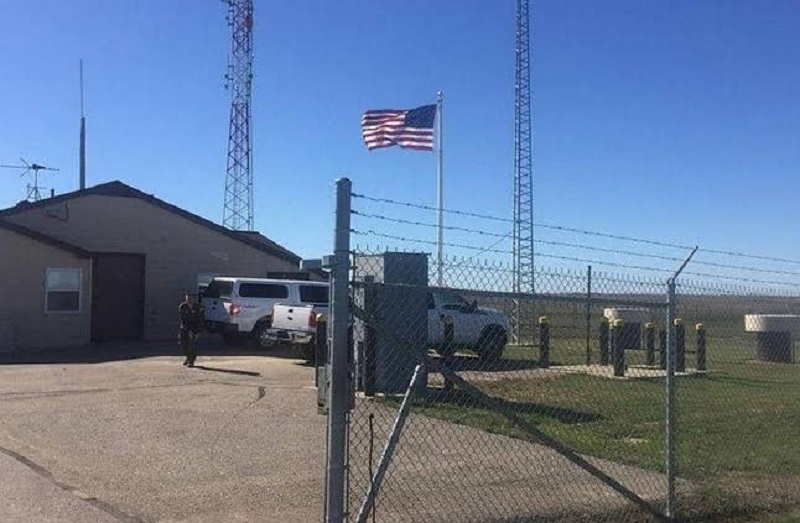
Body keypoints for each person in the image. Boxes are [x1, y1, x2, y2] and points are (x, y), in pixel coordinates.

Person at [178, 293, 204, 367]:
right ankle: (188, 357)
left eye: (190, 299)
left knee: (192, 345)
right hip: (184, 328)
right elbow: (182, 320)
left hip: (195, 328)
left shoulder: (198, 307)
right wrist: (188, 330)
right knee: (183, 344)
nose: (189, 300)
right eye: (187, 299)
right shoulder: (182, 307)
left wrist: (198, 332)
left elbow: (201, 319)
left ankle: (191, 361)